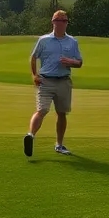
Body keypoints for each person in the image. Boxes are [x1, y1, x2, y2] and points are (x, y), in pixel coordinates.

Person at [24, 10, 83, 157]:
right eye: (59, 20)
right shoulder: (44, 40)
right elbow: (33, 57)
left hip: (64, 81)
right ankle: (30, 135)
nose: (62, 23)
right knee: (42, 110)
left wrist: (71, 62)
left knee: (62, 113)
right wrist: (34, 75)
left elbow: (79, 62)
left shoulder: (72, 41)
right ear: (53, 22)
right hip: (46, 80)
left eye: (65, 21)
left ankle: (59, 144)